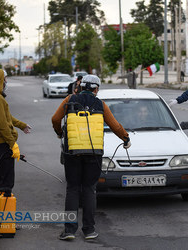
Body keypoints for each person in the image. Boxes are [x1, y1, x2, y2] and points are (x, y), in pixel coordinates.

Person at [51, 74, 131, 241]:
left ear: (81, 86)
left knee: (72, 189)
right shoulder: (100, 104)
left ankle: (70, 230)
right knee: (89, 189)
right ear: (96, 89)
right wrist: (125, 138)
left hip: (72, 152)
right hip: (94, 153)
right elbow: (115, 125)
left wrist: (60, 133)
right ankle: (89, 230)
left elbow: (55, 119)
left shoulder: (69, 99)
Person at [0, 68, 31, 210]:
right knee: (6, 183)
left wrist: (22, 125)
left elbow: (7, 117)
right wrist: (13, 145)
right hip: (2, 145)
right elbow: (2, 125)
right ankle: (5, 223)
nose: (6, 81)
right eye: (4, 78)